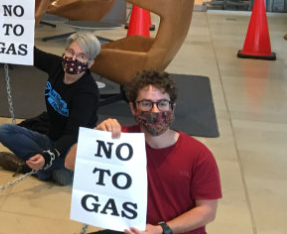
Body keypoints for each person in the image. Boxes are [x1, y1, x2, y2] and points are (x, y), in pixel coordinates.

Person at [65, 69, 221, 234]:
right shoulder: (119, 140)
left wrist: (162, 229)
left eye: (162, 104)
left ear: (172, 108)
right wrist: (95, 137)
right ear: (133, 108)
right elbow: (70, 163)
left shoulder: (198, 155)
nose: (155, 111)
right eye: (146, 104)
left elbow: (207, 211)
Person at [0, 32, 101, 186]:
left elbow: (72, 134)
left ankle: (31, 166)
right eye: (70, 52)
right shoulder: (56, 65)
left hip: (74, 146)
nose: (73, 59)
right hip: (51, 138)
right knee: (5, 131)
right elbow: (29, 51)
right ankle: (55, 169)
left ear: (90, 63)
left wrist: (49, 155)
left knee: (65, 154)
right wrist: (1, 23)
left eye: (82, 56)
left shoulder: (88, 93)